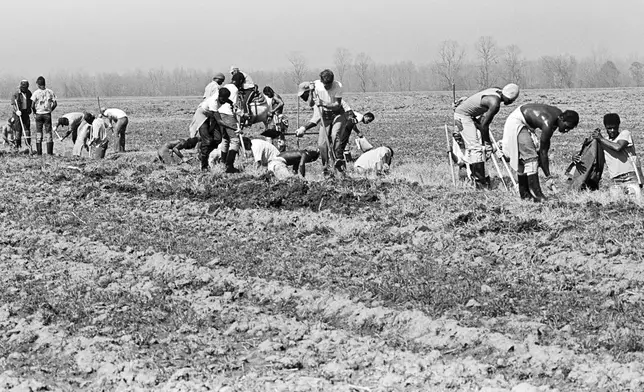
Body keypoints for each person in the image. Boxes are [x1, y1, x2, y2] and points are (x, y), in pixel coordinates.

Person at [501, 103, 579, 201]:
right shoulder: (548, 123)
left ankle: (525, 195)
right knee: (531, 158)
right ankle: (537, 196)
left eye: (570, 129)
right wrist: (548, 177)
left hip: (525, 123)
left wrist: (547, 174)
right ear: (562, 119)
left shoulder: (558, 117)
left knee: (527, 159)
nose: (567, 130)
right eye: (567, 126)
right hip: (517, 122)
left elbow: (544, 149)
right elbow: (543, 152)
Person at [453, 84, 520, 188]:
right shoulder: (495, 104)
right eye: (513, 100)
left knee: (476, 148)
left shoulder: (496, 91)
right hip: (463, 116)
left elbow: (483, 124)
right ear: (510, 98)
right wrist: (488, 144)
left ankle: (480, 181)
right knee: (475, 148)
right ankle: (480, 184)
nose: (511, 103)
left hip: (469, 115)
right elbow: (484, 126)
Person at [296, 70, 356, 176]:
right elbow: (310, 104)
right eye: (325, 85)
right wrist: (311, 91)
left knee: (334, 135)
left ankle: (339, 161)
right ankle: (326, 167)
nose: (327, 87)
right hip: (325, 117)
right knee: (322, 144)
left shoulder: (338, 86)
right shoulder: (316, 86)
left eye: (329, 85)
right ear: (321, 81)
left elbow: (337, 104)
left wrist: (323, 103)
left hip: (338, 114)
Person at [589, 113, 642, 199]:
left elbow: (618, 147)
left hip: (630, 176)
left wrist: (601, 139)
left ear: (618, 125)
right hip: (615, 180)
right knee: (617, 206)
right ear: (605, 127)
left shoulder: (625, 134)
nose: (612, 130)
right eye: (609, 128)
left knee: (636, 204)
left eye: (615, 127)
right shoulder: (604, 141)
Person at [202, 87, 240, 173]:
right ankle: (229, 166)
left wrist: (232, 103)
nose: (225, 100)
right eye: (224, 99)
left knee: (225, 139)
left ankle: (223, 164)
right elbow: (219, 121)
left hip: (220, 113)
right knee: (235, 140)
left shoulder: (221, 92)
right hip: (226, 115)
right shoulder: (214, 102)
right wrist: (234, 128)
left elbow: (228, 101)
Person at [31, 76, 58, 155]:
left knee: (39, 133)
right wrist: (50, 110)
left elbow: (32, 105)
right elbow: (55, 104)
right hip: (47, 114)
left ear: (38, 84)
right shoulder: (50, 92)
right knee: (48, 133)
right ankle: (49, 153)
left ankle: (39, 153)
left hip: (39, 114)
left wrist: (34, 112)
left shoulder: (36, 93)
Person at [11, 80, 32, 151]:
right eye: (23, 87)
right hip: (17, 114)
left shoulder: (29, 93)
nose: (25, 89)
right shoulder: (16, 94)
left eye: (26, 87)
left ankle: (28, 145)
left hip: (25, 113)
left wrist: (30, 109)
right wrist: (17, 111)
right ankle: (17, 146)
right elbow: (13, 105)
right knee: (18, 130)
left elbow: (31, 102)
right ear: (21, 87)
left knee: (27, 129)